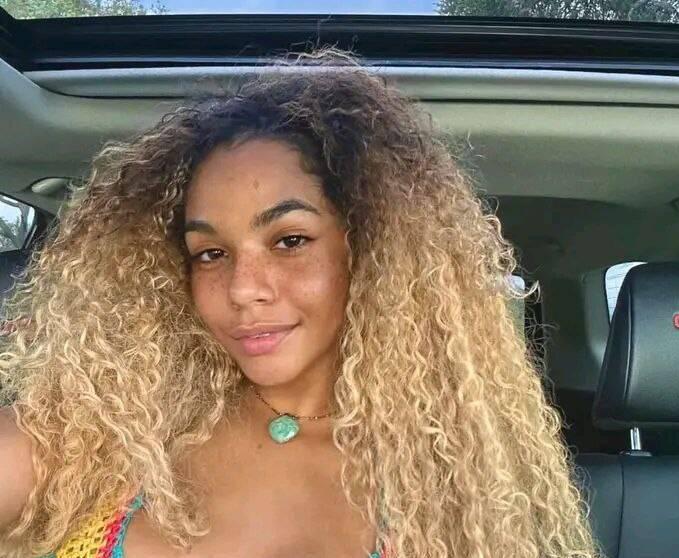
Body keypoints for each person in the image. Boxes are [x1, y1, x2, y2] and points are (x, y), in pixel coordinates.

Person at [0, 46, 601, 558]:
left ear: (369, 252)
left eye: (290, 240)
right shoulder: (106, 427)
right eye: (210, 253)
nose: (243, 289)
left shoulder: (459, 483)